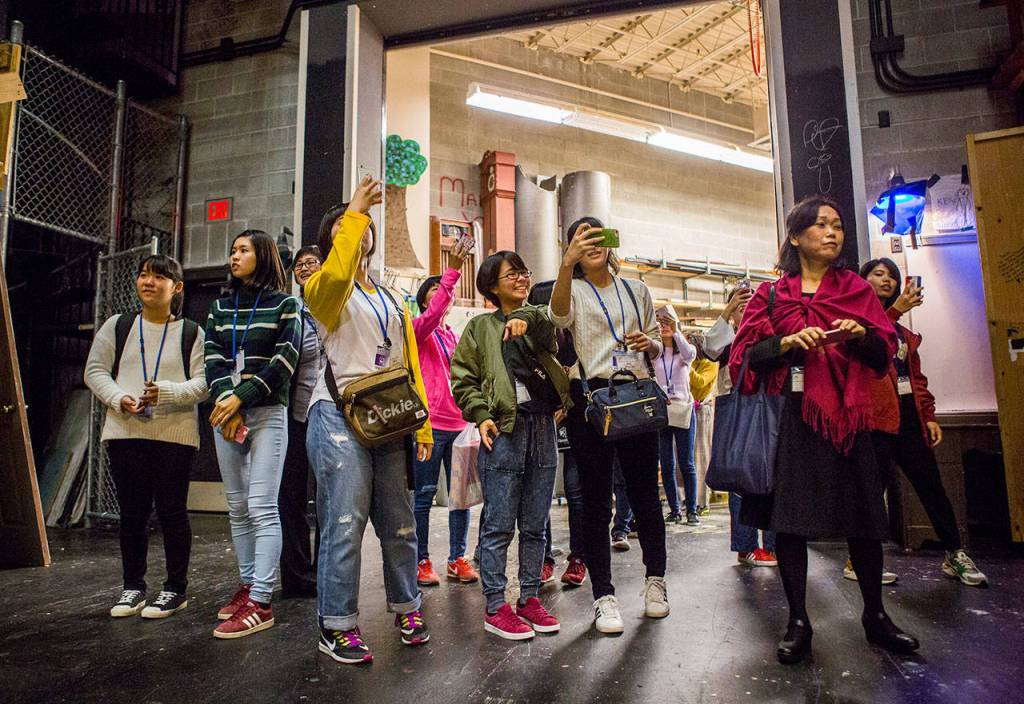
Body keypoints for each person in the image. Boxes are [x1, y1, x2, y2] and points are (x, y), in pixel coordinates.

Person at [729, 195, 919, 665]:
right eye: (821, 225)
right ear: (796, 236)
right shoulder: (770, 296)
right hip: (792, 421)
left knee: (865, 521)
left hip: (850, 420)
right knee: (790, 525)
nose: (833, 232)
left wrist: (861, 335)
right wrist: (787, 342)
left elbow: (883, 356)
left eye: (837, 225)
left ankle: (875, 616)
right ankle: (798, 622)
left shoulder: (856, 289)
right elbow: (743, 358)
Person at [304, 177, 433, 665]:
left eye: (362, 222)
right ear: (333, 238)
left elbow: (407, 362)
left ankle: (407, 608)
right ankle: (336, 624)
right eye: (345, 224)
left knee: (399, 524)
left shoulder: (391, 297)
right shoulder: (322, 287)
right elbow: (336, 278)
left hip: (389, 416)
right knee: (344, 520)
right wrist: (353, 210)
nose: (359, 227)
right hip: (337, 415)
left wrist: (419, 424)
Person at [550, 216, 670, 635]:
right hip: (594, 399)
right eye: (582, 239)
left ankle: (656, 582)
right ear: (572, 249)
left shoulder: (636, 290)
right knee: (596, 502)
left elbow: (657, 340)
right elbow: (559, 317)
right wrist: (567, 265)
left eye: (598, 236)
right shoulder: (574, 289)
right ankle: (604, 596)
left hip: (637, 396)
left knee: (645, 497)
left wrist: (649, 343)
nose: (593, 245)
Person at [451, 251, 570, 640]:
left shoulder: (537, 319)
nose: (521, 279)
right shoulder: (480, 328)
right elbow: (464, 379)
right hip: (504, 429)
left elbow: (552, 336)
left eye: (524, 272)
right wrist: (481, 415)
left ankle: (530, 597)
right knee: (499, 523)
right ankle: (496, 604)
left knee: (536, 524)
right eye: (512, 274)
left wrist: (527, 317)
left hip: (543, 427)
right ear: (492, 284)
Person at [85, 255, 208, 620]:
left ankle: (175, 589)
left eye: (158, 276)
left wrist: (167, 392)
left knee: (172, 512)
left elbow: (204, 383)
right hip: (126, 430)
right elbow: (94, 371)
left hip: (174, 434)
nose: (148, 281)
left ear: (177, 287)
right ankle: (133, 588)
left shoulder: (191, 332)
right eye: (143, 275)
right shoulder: (118, 326)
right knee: (132, 514)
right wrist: (119, 397)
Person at [854, 258, 987, 587]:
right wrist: (896, 310)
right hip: (875, 418)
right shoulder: (858, 320)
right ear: (863, 280)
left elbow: (916, 378)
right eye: (878, 274)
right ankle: (859, 561)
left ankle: (954, 553)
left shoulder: (905, 334)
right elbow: (871, 344)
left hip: (908, 416)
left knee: (932, 485)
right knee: (873, 491)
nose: (887, 280)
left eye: (892, 277)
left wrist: (928, 415)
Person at [204, 230, 302, 638]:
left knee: (262, 506)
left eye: (243, 249)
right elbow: (211, 356)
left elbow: (285, 361)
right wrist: (226, 401)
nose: (234, 256)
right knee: (237, 507)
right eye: (232, 249)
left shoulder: (286, 304)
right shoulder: (220, 307)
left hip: (265, 415)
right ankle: (247, 586)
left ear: (262, 257)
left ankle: (261, 601)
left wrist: (239, 399)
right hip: (227, 416)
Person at [412, 237, 479, 587]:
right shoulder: (419, 330)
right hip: (429, 425)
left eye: (446, 290)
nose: (445, 295)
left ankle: (457, 558)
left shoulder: (453, 335)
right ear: (427, 298)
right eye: (438, 291)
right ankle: (421, 560)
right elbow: (434, 312)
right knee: (423, 495)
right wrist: (452, 270)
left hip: (461, 426)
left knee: (461, 498)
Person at [703, 286, 777, 567]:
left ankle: (772, 543)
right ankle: (746, 545)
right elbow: (709, 348)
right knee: (739, 476)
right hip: (736, 414)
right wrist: (726, 311)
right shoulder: (728, 338)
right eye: (738, 306)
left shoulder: (766, 330)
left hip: (766, 409)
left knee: (770, 474)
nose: (745, 310)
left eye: (749, 304)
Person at [529, 279, 587, 587]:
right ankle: (544, 558)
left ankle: (579, 558)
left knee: (576, 493)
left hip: (575, 422)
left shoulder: (574, 338)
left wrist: (567, 403)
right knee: (543, 495)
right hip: (541, 423)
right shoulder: (527, 342)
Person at [278, 245, 325, 599]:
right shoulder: (289, 309)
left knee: (328, 497)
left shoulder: (336, 305)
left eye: (313, 262)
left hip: (332, 417)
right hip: (295, 415)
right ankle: (295, 576)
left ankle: (326, 572)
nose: (306, 267)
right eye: (300, 264)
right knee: (290, 496)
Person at [652, 308, 699, 525]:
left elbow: (690, 354)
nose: (664, 326)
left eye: (668, 322)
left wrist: (677, 329)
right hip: (663, 411)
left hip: (683, 410)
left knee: (686, 462)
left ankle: (692, 510)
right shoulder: (656, 354)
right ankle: (675, 510)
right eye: (660, 323)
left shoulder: (685, 353)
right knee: (666, 464)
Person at [687, 332, 718, 514]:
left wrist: (685, 364)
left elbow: (699, 382)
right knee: (687, 460)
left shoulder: (710, 364)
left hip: (702, 412)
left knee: (701, 457)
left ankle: (702, 501)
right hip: (688, 411)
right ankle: (688, 499)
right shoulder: (694, 363)